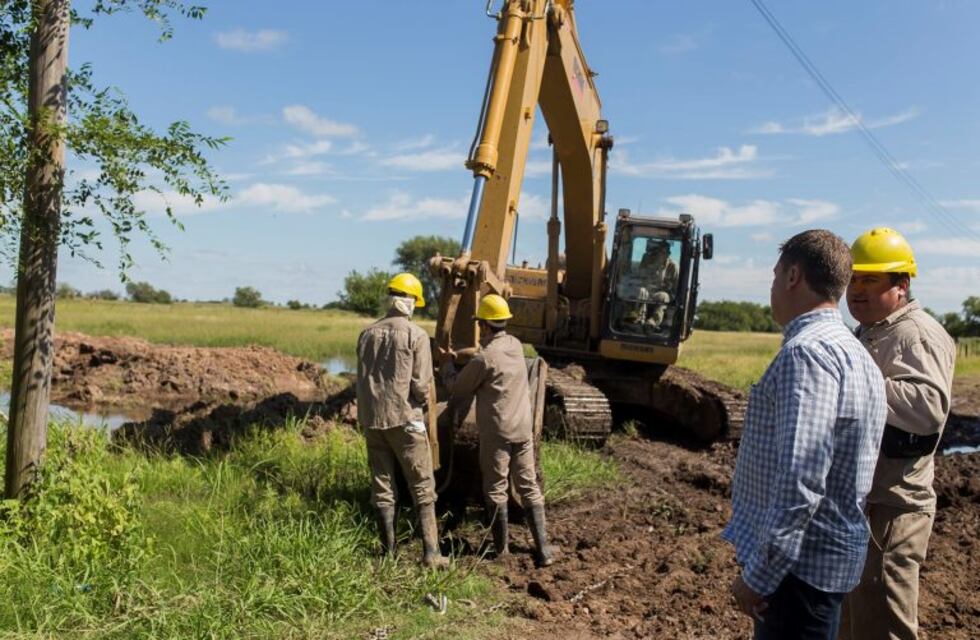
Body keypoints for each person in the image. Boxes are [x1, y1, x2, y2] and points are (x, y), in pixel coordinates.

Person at [722, 229, 887, 639]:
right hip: (818, 569)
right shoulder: (854, 352)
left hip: (798, 574)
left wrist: (761, 575)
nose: (774, 287)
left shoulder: (807, 353)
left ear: (794, 276)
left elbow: (802, 479)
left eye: (776, 276)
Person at [839, 228, 956, 640]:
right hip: (867, 504)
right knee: (855, 625)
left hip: (894, 508)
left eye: (870, 279)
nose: (857, 289)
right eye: (853, 278)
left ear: (901, 284)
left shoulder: (915, 333)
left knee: (884, 627)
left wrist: (855, 381)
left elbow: (927, 411)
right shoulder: (874, 332)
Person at [443, 294, 555, 567]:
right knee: (528, 486)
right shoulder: (515, 346)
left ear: (483, 324)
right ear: (504, 322)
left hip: (498, 432)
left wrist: (447, 364)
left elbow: (458, 388)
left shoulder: (485, 358)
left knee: (495, 487)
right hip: (523, 429)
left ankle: (502, 550)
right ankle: (545, 549)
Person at [356, 272, 448, 569]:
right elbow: (421, 386)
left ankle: (388, 553)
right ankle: (431, 554)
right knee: (422, 484)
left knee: (382, 486)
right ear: (410, 301)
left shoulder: (367, 334)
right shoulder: (415, 335)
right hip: (406, 420)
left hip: (372, 421)